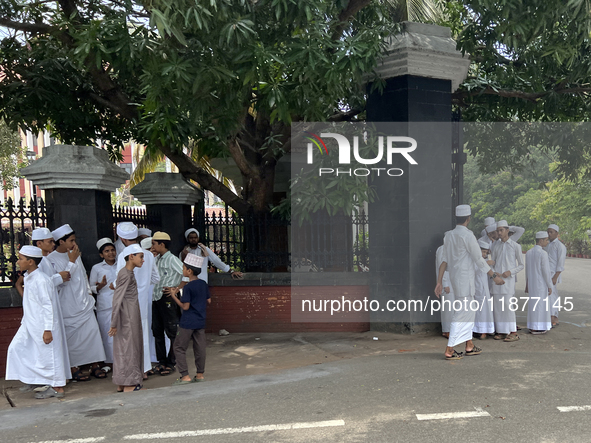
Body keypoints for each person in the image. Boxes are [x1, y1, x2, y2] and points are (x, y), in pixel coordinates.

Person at [435, 205, 504, 360]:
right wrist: (494, 276)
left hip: (456, 279)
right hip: (465, 282)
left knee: (469, 313)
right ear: (468, 218)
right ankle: (449, 349)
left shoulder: (449, 236)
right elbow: (479, 259)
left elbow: (444, 262)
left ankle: (469, 345)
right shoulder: (468, 236)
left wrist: (439, 281)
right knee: (461, 314)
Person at [5, 246, 71, 399]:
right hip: (29, 323)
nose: (18, 261)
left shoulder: (42, 280)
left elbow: (48, 305)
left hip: (43, 326)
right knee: (17, 348)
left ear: (30, 262)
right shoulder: (29, 277)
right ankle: (32, 379)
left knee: (49, 355)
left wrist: (47, 329)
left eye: (21, 259)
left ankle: (57, 388)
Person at [46, 224, 107, 381]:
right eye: (71, 240)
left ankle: (95, 365)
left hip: (84, 303)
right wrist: (71, 261)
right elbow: (63, 279)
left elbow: (82, 276)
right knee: (71, 339)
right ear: (61, 241)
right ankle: (73, 368)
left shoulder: (76, 255)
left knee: (92, 334)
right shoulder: (50, 260)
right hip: (67, 305)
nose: (74, 243)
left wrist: (88, 292)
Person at [115, 225, 160, 378]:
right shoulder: (147, 254)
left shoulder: (125, 255)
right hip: (144, 301)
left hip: (128, 302)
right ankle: (145, 368)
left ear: (122, 239)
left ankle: (134, 370)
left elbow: (118, 281)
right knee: (144, 333)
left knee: (130, 335)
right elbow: (156, 278)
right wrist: (144, 286)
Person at [170, 254, 211, 385]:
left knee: (179, 347)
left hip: (187, 322)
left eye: (183, 268)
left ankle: (185, 376)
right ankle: (200, 374)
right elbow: (208, 300)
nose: (183, 270)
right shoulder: (203, 284)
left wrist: (173, 296)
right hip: (200, 320)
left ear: (189, 271)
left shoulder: (187, 287)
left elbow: (185, 306)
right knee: (200, 347)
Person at [109, 244, 145, 392]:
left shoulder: (127, 273)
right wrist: (114, 322)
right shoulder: (125, 274)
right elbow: (117, 298)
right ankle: (129, 384)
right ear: (131, 257)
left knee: (125, 347)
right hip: (128, 316)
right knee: (130, 347)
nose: (143, 260)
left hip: (129, 314)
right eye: (141, 257)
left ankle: (122, 382)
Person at [152, 231, 186, 375]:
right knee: (157, 330)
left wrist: (176, 289)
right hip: (156, 297)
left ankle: (171, 362)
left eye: (154, 243)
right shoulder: (157, 259)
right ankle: (161, 361)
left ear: (162, 244)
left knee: (172, 331)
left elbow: (186, 275)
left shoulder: (172, 259)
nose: (152, 246)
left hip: (168, 298)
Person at [490, 220, 524, 342]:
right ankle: (502, 331)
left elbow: (521, 265)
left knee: (508, 306)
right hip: (496, 280)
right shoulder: (495, 245)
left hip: (508, 281)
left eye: (501, 230)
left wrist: (510, 272)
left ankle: (513, 332)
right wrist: (494, 274)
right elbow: (492, 262)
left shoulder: (515, 246)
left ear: (507, 230)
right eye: (498, 230)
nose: (499, 233)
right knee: (498, 306)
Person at [89, 238, 118, 366]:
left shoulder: (121, 264)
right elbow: (90, 288)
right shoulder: (97, 268)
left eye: (112, 250)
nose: (110, 253)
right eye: (107, 251)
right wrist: (100, 286)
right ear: (101, 255)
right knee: (107, 335)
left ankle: (121, 361)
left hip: (120, 304)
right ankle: (109, 362)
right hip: (105, 305)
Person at [525, 231, 553, 334]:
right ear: (541, 241)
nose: (547, 242)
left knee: (533, 304)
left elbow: (527, 271)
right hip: (541, 284)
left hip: (532, 284)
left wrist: (527, 284)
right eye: (546, 240)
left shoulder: (529, 252)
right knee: (540, 305)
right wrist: (549, 285)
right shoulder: (543, 253)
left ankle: (532, 326)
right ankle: (538, 327)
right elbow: (546, 272)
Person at [473, 239, 495, 339]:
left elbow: (490, 272)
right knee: (478, 311)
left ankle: (485, 330)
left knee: (485, 310)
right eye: (483, 251)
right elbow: (476, 270)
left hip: (484, 289)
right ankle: (479, 330)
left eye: (486, 252)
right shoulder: (474, 259)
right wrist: (486, 263)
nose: (484, 254)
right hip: (476, 288)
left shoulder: (484, 261)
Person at [545, 224, 566, 327]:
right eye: (548, 232)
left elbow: (560, 264)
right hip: (546, 274)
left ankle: (553, 317)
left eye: (551, 232)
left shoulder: (560, 246)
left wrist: (555, 277)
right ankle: (553, 317)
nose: (549, 234)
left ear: (557, 233)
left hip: (553, 275)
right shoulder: (547, 245)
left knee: (552, 296)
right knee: (549, 296)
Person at [436, 244, 454, 339]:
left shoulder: (451, 248)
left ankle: (450, 329)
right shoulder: (443, 249)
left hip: (453, 283)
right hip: (446, 285)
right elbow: (441, 266)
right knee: (448, 308)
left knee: (451, 308)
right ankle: (446, 330)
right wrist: (445, 283)